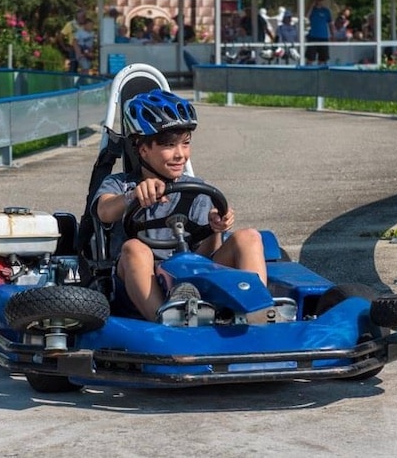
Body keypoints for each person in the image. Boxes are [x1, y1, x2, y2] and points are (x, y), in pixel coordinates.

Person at [93, 90, 267, 321]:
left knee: (250, 236)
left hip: (193, 277)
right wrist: (133, 196)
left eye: (185, 144)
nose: (180, 155)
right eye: (169, 145)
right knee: (135, 247)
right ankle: (166, 320)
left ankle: (259, 314)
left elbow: (206, 254)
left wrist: (216, 228)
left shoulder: (197, 189)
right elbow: (104, 212)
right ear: (143, 148)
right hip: (139, 283)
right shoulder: (120, 184)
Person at [306, 0, 333, 64]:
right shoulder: (312, 10)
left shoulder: (326, 11)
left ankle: (321, 72)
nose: (320, 2)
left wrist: (333, 35)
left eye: (321, 0)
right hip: (313, 36)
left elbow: (330, 23)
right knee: (310, 58)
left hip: (323, 37)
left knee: (323, 58)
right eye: (318, 0)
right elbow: (306, 17)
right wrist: (312, 5)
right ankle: (308, 72)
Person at [60, 9, 86, 73]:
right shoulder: (70, 25)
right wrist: (64, 47)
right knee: (73, 67)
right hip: (73, 49)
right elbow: (61, 35)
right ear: (77, 17)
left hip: (83, 49)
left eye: (84, 16)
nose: (83, 18)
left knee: (84, 68)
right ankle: (71, 81)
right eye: (81, 17)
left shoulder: (85, 25)